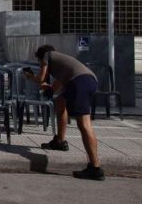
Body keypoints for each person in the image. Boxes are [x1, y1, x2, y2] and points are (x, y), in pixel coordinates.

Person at [25, 44, 105, 181]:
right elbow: (56, 85)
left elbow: (41, 78)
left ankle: (95, 168)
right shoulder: (61, 62)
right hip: (89, 80)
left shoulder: (46, 55)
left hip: (79, 83)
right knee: (60, 102)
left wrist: (30, 77)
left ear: (40, 56)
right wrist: (49, 89)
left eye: (39, 61)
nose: (40, 64)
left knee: (84, 125)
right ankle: (60, 141)